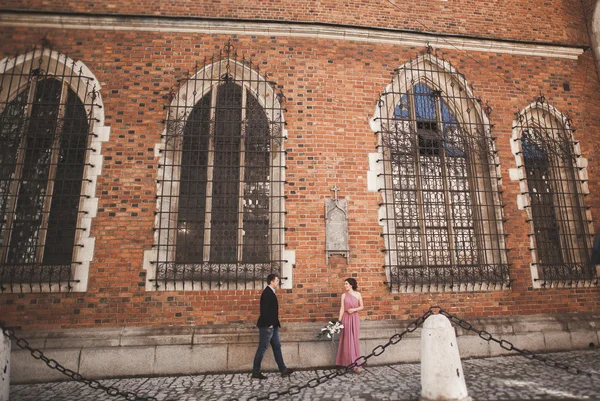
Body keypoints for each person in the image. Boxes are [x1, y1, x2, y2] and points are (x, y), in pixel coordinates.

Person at [252, 273, 294, 379]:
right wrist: (269, 324)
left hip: (273, 326)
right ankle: (255, 372)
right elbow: (264, 310)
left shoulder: (271, 292)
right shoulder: (267, 293)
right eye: (276, 281)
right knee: (262, 348)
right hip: (267, 326)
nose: (278, 282)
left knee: (277, 347)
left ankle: (283, 369)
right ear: (271, 281)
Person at [336, 277, 364, 372]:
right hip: (346, 318)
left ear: (351, 285)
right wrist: (339, 322)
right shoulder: (344, 295)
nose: (345, 285)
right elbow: (342, 309)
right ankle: (352, 364)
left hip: (355, 318)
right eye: (345, 284)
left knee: (354, 339)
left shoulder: (358, 294)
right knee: (347, 340)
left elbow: (362, 306)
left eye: (346, 284)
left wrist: (354, 309)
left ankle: (355, 362)